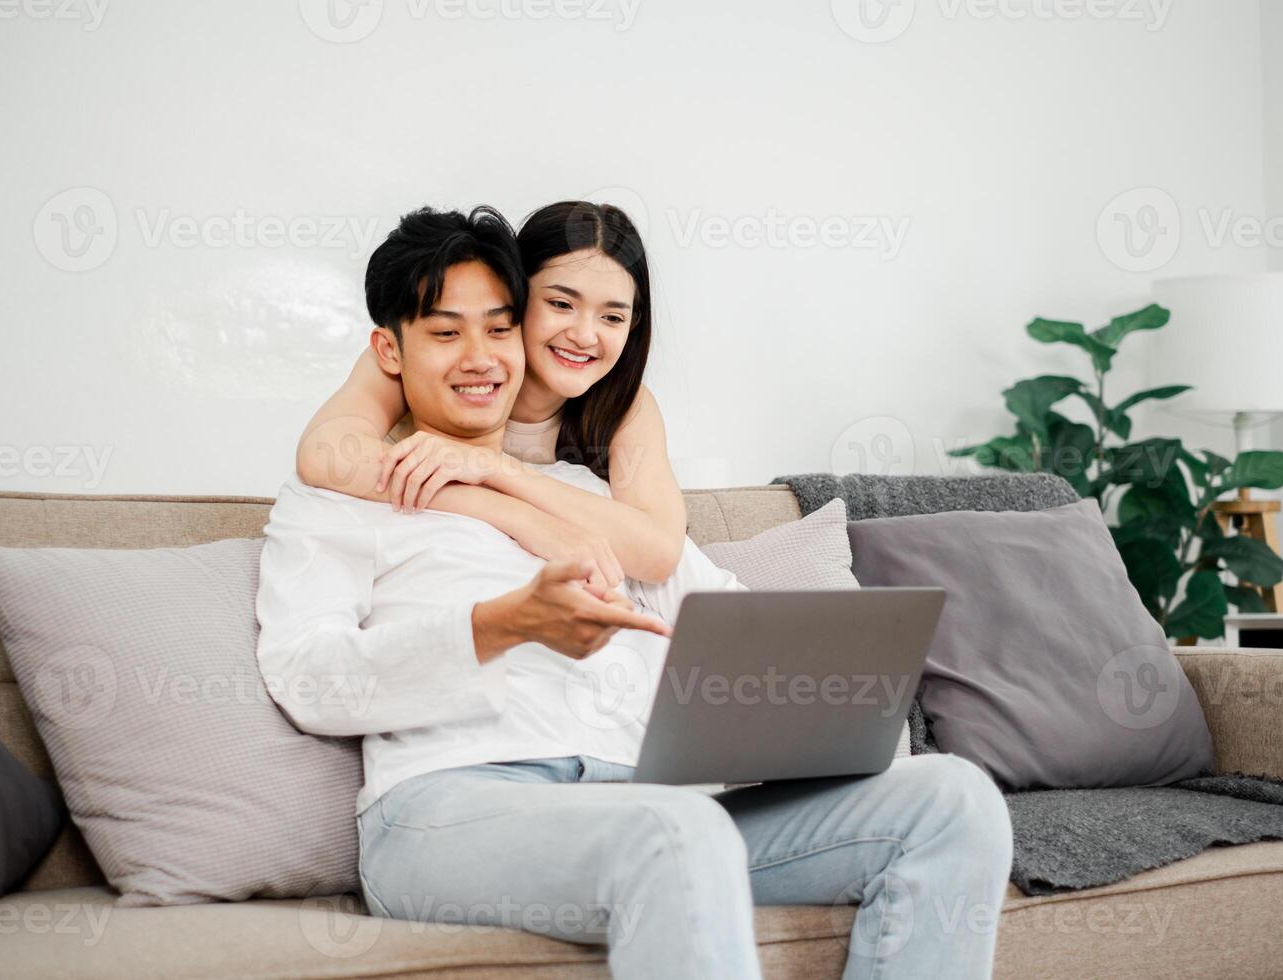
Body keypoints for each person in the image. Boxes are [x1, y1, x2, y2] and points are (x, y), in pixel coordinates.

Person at [256, 206, 1014, 979]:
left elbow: (724, 616)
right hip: (450, 809)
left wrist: (827, 703)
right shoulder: (343, 490)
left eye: (499, 328)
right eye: (446, 333)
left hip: (654, 803)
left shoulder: (592, 494)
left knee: (953, 801)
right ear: (390, 350)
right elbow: (309, 678)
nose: (480, 357)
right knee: (677, 830)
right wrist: (500, 626)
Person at [295, 200, 681, 589]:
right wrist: (518, 517)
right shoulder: (422, 363)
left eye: (612, 317)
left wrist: (493, 467)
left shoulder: (624, 403)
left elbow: (659, 552)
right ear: (515, 295)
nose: (584, 335)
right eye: (560, 304)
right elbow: (323, 452)